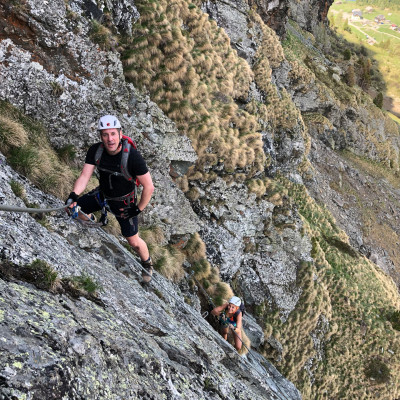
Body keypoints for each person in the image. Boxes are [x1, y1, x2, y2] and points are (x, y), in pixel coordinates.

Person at [65, 115, 155, 282]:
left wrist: (138, 209)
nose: (110, 139)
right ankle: (91, 219)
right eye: (105, 135)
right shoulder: (96, 150)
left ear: (120, 134)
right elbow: (85, 176)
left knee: (134, 242)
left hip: (125, 204)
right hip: (103, 195)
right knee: (73, 210)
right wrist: (73, 196)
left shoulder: (132, 156)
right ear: (101, 136)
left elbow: (149, 187)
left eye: (113, 134)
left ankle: (147, 263)